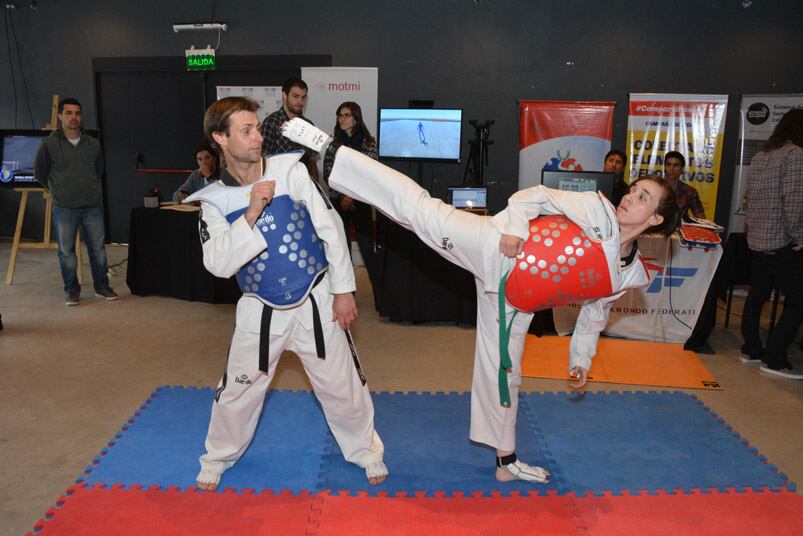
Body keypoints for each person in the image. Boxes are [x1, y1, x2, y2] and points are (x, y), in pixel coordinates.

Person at [282, 117, 680, 483]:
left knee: (505, 375)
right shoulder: (598, 212)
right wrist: (514, 228)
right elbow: (537, 196)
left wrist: (580, 362)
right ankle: (330, 149)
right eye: (635, 190)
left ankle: (505, 461)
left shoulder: (626, 275)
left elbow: (594, 316)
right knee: (419, 210)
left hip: (515, 301)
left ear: (656, 219)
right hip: (496, 247)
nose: (630, 197)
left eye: (643, 197)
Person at [185, 97, 387, 491]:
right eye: (246, 130)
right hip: (259, 309)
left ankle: (366, 451)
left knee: (343, 386)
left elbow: (330, 227)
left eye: (258, 127)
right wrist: (251, 214)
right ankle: (219, 455)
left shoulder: (289, 171)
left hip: (315, 297)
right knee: (238, 392)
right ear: (219, 138)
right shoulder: (212, 201)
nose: (258, 136)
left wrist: (344, 290)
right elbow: (218, 264)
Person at [34, 97, 118, 306]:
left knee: (98, 249)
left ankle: (101, 286)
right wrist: (57, 191)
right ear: (60, 116)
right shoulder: (49, 144)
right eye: (69, 113)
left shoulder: (93, 144)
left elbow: (99, 171)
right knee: (67, 252)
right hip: (64, 208)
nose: (74, 117)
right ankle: (72, 290)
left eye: (77, 113)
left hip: (92, 207)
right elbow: (40, 173)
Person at [740, 108, 803, 380]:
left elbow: (749, 198)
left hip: (758, 240)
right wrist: (799, 236)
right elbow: (794, 201)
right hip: (781, 241)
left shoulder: (761, 155)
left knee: (757, 296)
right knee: (798, 301)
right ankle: (775, 358)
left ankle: (751, 349)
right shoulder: (795, 155)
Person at [323, 102, 379, 293]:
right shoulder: (332, 143)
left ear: (356, 118)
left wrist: (351, 195)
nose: (342, 119)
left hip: (359, 202)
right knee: (342, 250)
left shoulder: (368, 142)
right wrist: (342, 195)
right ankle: (347, 293)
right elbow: (328, 174)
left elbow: (367, 173)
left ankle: (380, 295)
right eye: (340, 115)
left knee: (366, 248)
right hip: (338, 202)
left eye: (347, 115)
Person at [259, 77, 320, 179]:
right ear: (284, 95)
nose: (300, 101)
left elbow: (312, 160)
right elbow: (262, 159)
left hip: (304, 184)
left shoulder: (308, 125)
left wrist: (316, 186)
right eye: (295, 96)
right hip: (278, 184)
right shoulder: (271, 122)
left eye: (303, 97)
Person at [663, 151, 706, 219]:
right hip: (656, 228)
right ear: (664, 168)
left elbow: (701, 218)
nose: (671, 169)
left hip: (680, 228)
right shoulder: (655, 188)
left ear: (682, 169)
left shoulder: (690, 191)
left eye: (676, 165)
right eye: (668, 165)